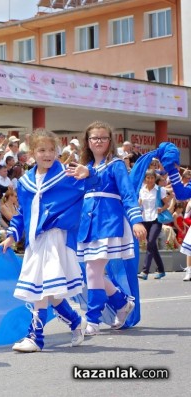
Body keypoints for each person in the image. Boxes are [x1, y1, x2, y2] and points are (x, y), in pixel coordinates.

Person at [0, 128, 97, 353]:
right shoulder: (25, 182)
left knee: (40, 289)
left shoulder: (67, 175)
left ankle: (36, 337)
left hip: (56, 237)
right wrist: (12, 235)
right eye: (42, 150)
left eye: (51, 150)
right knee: (48, 292)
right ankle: (75, 321)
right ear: (32, 153)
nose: (47, 154)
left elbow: (94, 185)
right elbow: (21, 213)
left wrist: (89, 173)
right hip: (36, 240)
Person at [76, 121, 146, 335]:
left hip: (108, 221)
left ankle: (93, 320)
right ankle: (123, 303)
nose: (98, 141)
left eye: (103, 137)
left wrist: (136, 220)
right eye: (94, 138)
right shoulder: (85, 168)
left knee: (92, 270)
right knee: (91, 272)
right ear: (87, 142)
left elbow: (127, 193)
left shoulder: (116, 165)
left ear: (110, 141)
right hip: (88, 225)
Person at [138, 170, 169, 280]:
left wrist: (162, 209)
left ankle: (145, 271)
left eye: (152, 178)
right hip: (145, 219)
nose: (150, 180)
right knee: (152, 246)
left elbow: (167, 203)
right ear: (145, 179)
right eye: (148, 178)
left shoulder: (160, 190)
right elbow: (140, 203)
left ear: (154, 178)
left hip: (156, 219)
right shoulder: (142, 190)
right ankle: (161, 270)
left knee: (150, 243)